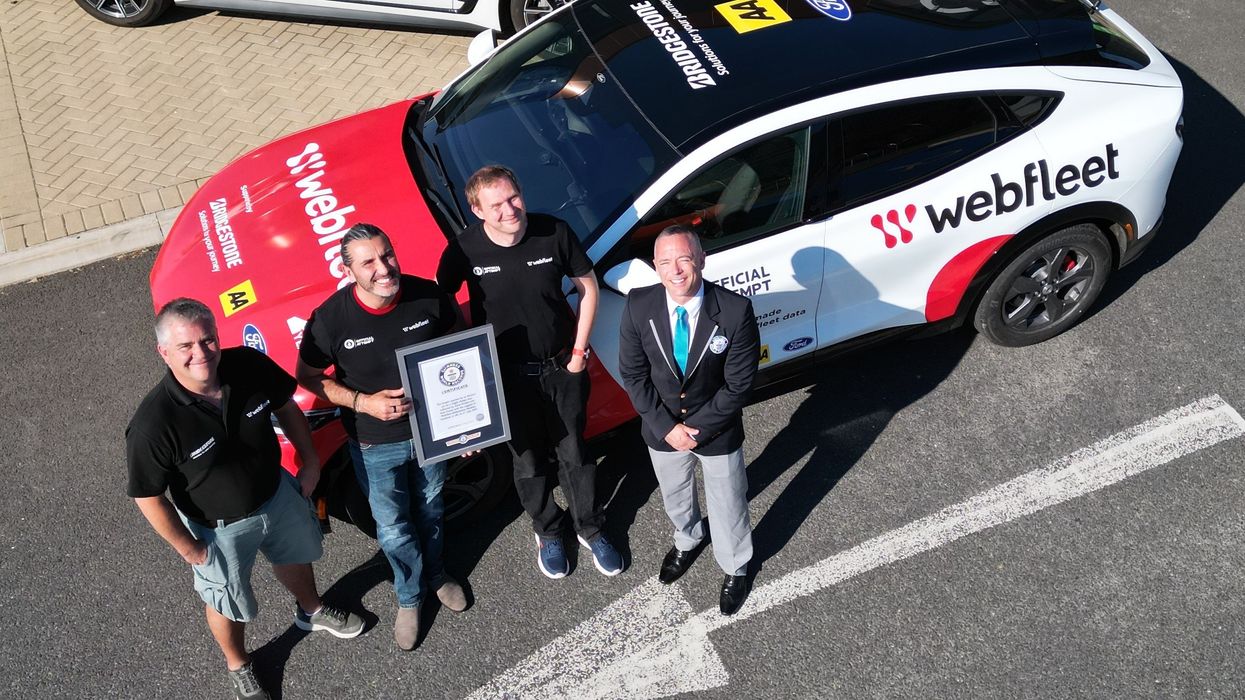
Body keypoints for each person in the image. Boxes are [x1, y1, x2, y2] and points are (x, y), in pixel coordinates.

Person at [127, 298, 364, 700]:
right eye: (186, 346)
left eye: (208, 340)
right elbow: (148, 495)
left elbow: (286, 405)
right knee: (226, 601)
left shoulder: (247, 365)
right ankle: (238, 664)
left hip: (276, 495)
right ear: (164, 353)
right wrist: (189, 549)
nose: (201, 354)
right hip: (217, 531)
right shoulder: (153, 424)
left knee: (294, 556)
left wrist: (309, 462)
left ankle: (312, 611)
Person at [437, 164, 623, 579]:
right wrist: (466, 362)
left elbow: (588, 287)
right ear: (477, 211)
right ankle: (548, 530)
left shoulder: (553, 231)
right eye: (496, 204)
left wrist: (578, 351)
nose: (509, 210)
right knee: (527, 462)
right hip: (505, 377)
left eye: (513, 197)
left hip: (562, 366)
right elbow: (443, 303)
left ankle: (589, 527)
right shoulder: (464, 250)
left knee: (575, 452)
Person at [295, 223, 467, 651]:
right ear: (348, 269)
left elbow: (462, 355)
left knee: (430, 511)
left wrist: (468, 424)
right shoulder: (331, 320)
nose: (383, 268)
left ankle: (436, 573)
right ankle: (409, 597)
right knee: (392, 528)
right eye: (368, 262)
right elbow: (309, 378)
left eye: (387, 255)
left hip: (432, 433)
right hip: (375, 443)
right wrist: (362, 402)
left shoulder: (429, 297)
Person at [617, 226, 760, 615]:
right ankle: (688, 539)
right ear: (655, 267)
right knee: (676, 495)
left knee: (728, 502)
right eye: (665, 262)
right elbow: (632, 374)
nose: (675, 270)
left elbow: (739, 384)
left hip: (715, 430)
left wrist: (694, 431)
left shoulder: (734, 310)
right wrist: (668, 428)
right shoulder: (638, 305)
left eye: (684, 259)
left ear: (700, 260)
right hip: (661, 429)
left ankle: (735, 566)